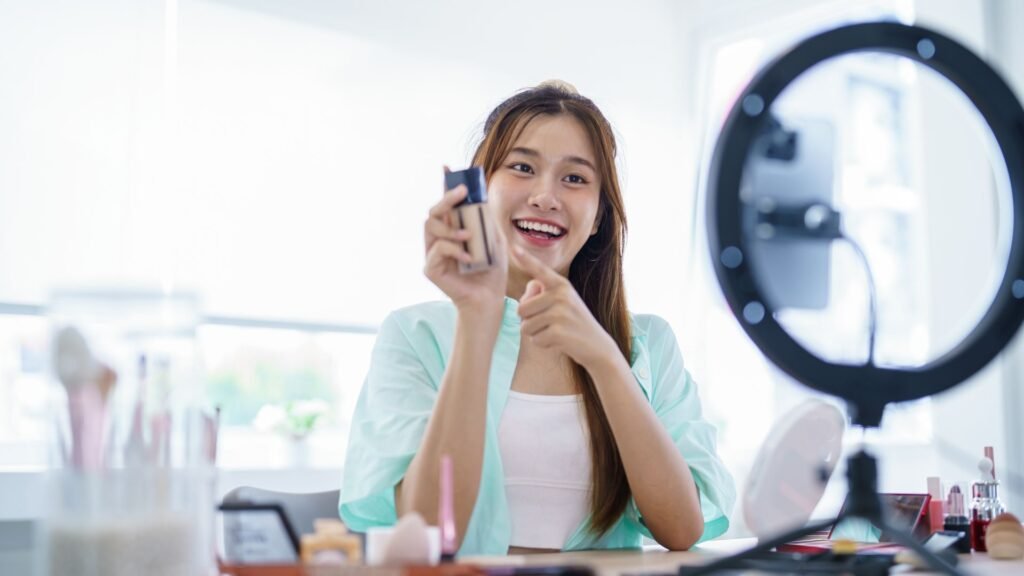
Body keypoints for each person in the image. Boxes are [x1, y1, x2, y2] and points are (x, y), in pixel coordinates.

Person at [339, 80, 735, 556]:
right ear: (478, 192)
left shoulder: (648, 342)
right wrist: (477, 318)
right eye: (522, 168)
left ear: (598, 219)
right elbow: (430, 533)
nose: (546, 196)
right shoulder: (413, 335)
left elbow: (680, 530)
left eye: (574, 178)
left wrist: (606, 360)